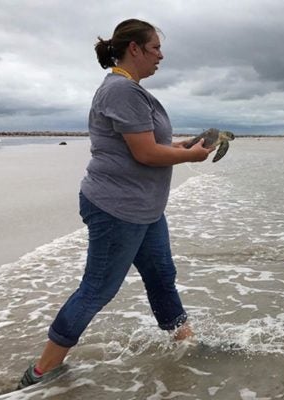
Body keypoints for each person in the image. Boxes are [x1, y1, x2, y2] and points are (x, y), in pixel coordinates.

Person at [17, 18, 215, 389]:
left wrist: (184, 146)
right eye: (155, 47)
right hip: (117, 207)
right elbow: (144, 153)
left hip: (145, 209)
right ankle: (41, 371)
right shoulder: (121, 90)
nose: (161, 55)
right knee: (97, 289)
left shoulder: (130, 90)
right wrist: (192, 158)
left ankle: (186, 345)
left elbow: (151, 145)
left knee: (161, 278)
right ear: (134, 49)